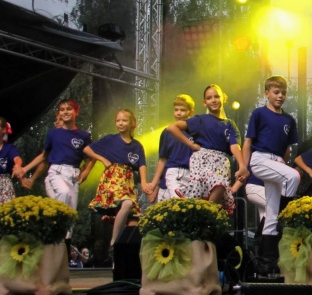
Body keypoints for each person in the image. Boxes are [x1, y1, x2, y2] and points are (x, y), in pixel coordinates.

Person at [242, 75, 300, 265]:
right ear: (266, 93)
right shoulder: (259, 113)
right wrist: (243, 166)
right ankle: (286, 215)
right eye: (276, 92)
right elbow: (248, 142)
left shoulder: (289, 119)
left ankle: (267, 259)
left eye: (283, 93)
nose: (280, 96)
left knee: (271, 213)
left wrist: (281, 163)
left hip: (277, 161)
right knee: (294, 176)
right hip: (260, 159)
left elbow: (288, 148)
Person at [168, 85, 247, 214]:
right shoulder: (200, 120)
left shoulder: (229, 124)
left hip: (221, 163)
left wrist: (242, 165)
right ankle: (206, 214)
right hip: (202, 160)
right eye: (209, 98)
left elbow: (234, 145)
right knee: (216, 185)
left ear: (224, 98)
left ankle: (207, 215)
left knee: (218, 189)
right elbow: (172, 127)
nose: (213, 100)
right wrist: (191, 145)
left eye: (216, 96)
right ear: (204, 102)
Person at [22, 100, 93, 240]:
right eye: (62, 109)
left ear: (76, 112)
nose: (65, 112)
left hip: (73, 176)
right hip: (56, 172)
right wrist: (25, 169)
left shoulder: (83, 135)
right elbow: (44, 156)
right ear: (59, 113)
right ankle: (53, 231)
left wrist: (85, 172)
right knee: (63, 193)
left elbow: (91, 157)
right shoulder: (53, 134)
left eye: (69, 109)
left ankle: (63, 244)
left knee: (71, 216)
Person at [85, 109, 149, 255]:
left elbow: (142, 165)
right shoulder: (110, 139)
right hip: (113, 178)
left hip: (128, 182)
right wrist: (102, 159)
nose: (120, 123)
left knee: (132, 218)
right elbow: (87, 149)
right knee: (127, 204)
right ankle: (114, 242)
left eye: (124, 120)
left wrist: (144, 183)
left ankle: (120, 255)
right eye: (118, 120)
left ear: (132, 123)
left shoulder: (137, 145)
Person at [147, 94, 195, 202]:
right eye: (176, 110)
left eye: (182, 110)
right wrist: (154, 184)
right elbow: (163, 160)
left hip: (190, 176)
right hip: (170, 176)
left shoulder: (196, 132)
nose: (178, 113)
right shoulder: (167, 132)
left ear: (191, 112)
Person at [0, 118, 23, 202]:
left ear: (4, 129)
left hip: (4, 185)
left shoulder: (8, 148)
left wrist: (18, 165)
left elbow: (17, 158)